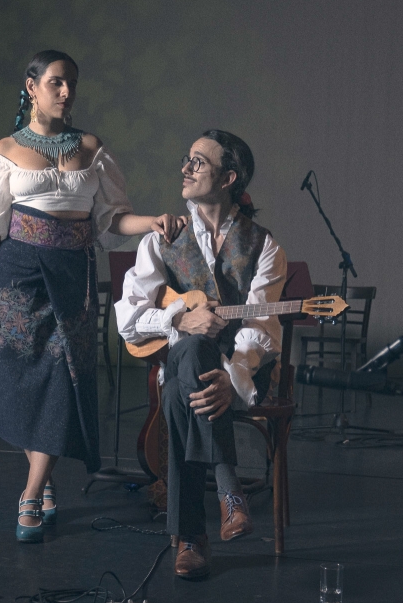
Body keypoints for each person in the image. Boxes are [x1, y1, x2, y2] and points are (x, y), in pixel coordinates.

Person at [0, 50, 185, 543]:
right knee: (28, 379)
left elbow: (111, 220)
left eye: (72, 85)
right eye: (57, 83)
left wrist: (150, 221)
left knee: (62, 377)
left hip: (74, 276)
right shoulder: (4, 151)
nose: (67, 93)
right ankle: (42, 486)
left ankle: (32, 491)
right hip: (18, 275)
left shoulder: (92, 148)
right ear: (32, 87)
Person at [115, 130, 287, 578]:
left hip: (242, 371)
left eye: (198, 162)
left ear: (228, 178)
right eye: (186, 159)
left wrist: (232, 377)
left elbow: (261, 326)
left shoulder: (264, 245)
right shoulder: (163, 237)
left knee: (177, 395)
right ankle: (230, 491)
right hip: (187, 362)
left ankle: (190, 537)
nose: (185, 169)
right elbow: (127, 320)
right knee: (190, 346)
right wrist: (176, 317)